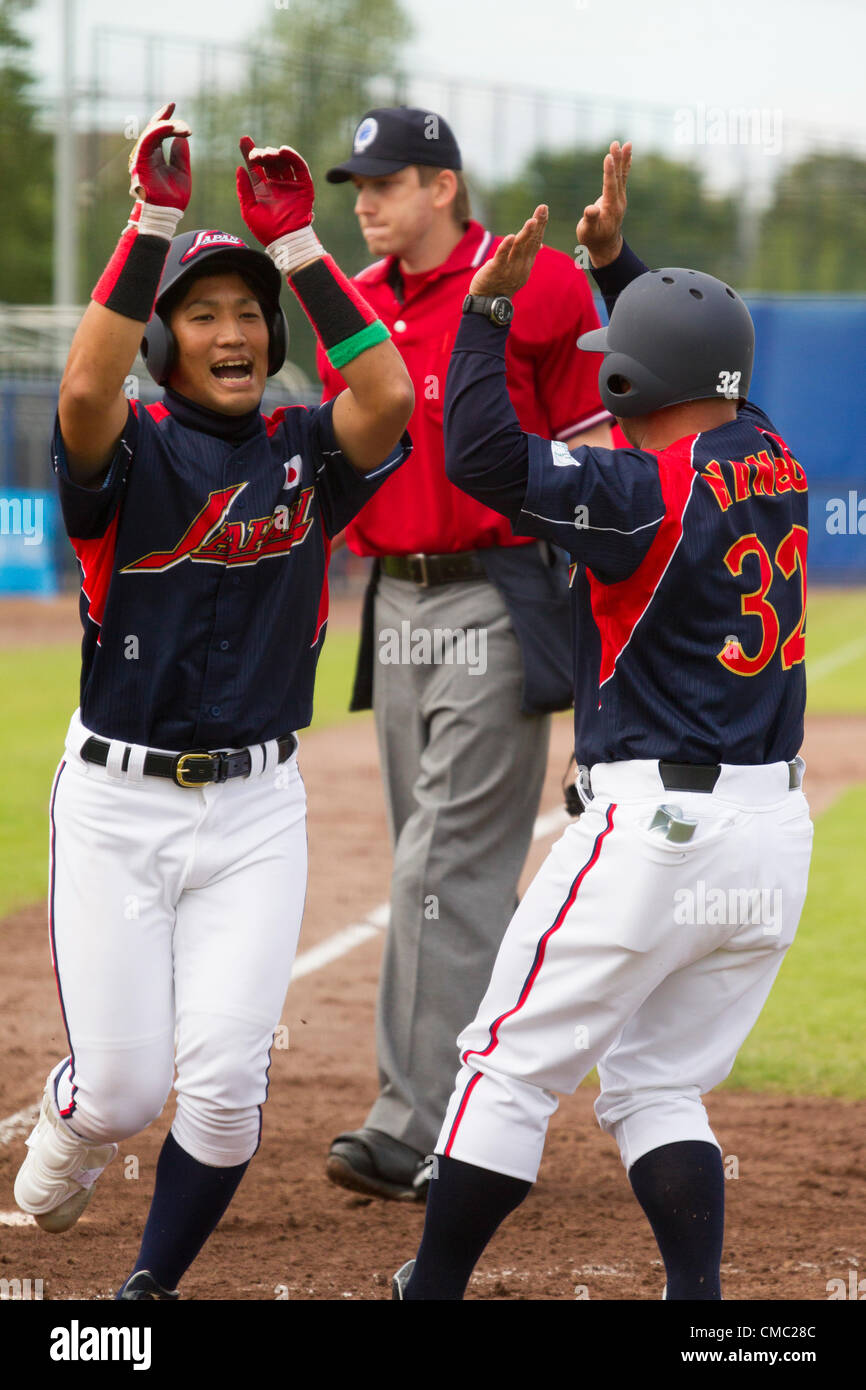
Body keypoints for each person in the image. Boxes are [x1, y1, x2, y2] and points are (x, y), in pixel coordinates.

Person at [391, 140, 813, 1300]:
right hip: (769, 838)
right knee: (653, 1086)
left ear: (631, 383)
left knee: (503, 1064)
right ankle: (698, 1312)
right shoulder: (768, 450)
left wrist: (482, 312)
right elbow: (693, 357)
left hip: (653, 833)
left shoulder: (634, 495)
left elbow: (479, 455)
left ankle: (426, 1291)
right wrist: (615, 262)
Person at [12, 103, 413, 1299]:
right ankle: (74, 1115)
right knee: (128, 1090)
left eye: (248, 313)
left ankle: (148, 1293)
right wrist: (152, 226)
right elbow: (84, 387)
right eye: (204, 314)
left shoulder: (305, 446)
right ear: (166, 341)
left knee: (231, 1081)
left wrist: (297, 249)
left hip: (255, 810)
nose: (231, 330)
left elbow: (387, 394)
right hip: (117, 807)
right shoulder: (125, 453)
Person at [318, 107, 616, 1201]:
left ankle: (412, 1125)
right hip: (394, 602)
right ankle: (486, 1105)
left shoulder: (533, 281)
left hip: (500, 592)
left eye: (387, 180)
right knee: (441, 867)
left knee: (438, 865)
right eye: (359, 181)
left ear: (442, 186)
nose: (366, 198)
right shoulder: (348, 301)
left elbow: (593, 442)